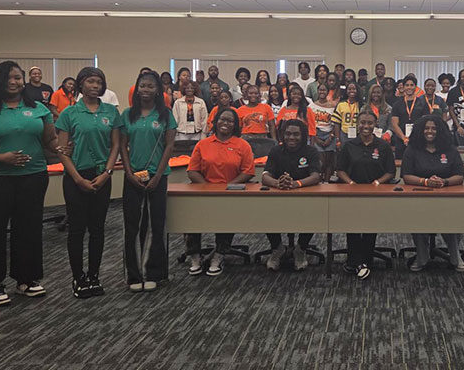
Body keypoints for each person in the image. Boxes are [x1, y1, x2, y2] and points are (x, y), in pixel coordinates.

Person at [0, 61, 61, 306]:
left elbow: (50, 141)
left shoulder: (39, 108)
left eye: (18, 78)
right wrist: (1, 158)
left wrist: (62, 148)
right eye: (8, 78)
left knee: (29, 229)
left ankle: (26, 279)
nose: (14, 82)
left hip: (33, 176)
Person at [54, 66, 121, 299]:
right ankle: (78, 277)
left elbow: (115, 146)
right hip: (76, 176)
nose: (95, 86)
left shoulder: (111, 112)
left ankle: (94, 275)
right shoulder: (69, 114)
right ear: (80, 84)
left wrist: (108, 173)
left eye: (99, 82)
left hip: (102, 176)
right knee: (77, 231)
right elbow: (62, 151)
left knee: (97, 230)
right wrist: (77, 179)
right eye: (91, 82)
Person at [120, 70, 176, 292]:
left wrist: (158, 176)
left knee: (155, 224)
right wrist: (128, 172)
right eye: (142, 85)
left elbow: (169, 146)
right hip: (132, 175)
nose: (146, 90)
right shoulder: (127, 114)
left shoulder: (166, 115)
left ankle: (153, 272)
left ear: (158, 90)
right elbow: (122, 146)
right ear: (137, 88)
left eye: (151, 86)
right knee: (132, 225)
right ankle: (134, 274)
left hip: (158, 177)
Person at [186, 107, 255, 276]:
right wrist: (207, 188)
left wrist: (229, 187)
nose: (225, 123)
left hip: (230, 193)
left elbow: (248, 171)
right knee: (190, 218)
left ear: (235, 125)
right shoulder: (203, 144)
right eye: (222, 119)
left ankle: (219, 255)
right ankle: (195, 256)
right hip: (203, 192)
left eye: (230, 121)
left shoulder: (242, 145)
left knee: (226, 219)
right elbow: (192, 170)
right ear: (215, 122)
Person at [401, 115, 464, 272]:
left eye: (434, 128)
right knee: (418, 222)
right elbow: (406, 175)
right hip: (420, 197)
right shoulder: (412, 149)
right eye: (427, 128)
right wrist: (425, 182)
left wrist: (445, 182)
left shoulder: (450, 150)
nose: (430, 131)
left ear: (440, 131)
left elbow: (460, 175)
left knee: (451, 222)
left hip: (446, 197)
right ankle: (421, 257)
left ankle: (455, 256)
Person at [336, 110, 395, 280]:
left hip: (375, 193)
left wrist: (378, 182)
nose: (366, 126)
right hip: (351, 192)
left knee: (370, 226)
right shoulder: (349, 145)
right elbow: (340, 170)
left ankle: (363, 261)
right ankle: (356, 261)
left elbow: (390, 172)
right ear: (357, 124)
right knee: (352, 226)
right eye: (362, 123)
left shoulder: (383, 146)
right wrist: (350, 183)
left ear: (375, 125)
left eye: (370, 123)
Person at [261, 119, 322, 271]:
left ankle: (300, 249)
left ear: (303, 136)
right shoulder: (276, 151)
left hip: (305, 197)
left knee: (313, 214)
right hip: (279, 196)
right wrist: (278, 183)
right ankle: (277, 249)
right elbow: (265, 176)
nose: (291, 137)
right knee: (265, 212)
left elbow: (316, 176)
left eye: (296, 134)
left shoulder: (311, 151)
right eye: (287, 134)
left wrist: (296, 184)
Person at [390, 74, 429, 159]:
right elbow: (394, 124)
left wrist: (415, 137)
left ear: (415, 87)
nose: (409, 87)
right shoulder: (397, 104)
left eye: (412, 85)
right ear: (403, 87)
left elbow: (425, 123)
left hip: (418, 140)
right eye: (407, 85)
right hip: (401, 141)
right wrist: (404, 138)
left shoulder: (422, 103)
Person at [310, 83, 339, 181]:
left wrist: (331, 137)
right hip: (316, 134)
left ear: (327, 92)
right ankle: (319, 179)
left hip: (330, 133)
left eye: (324, 90)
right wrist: (315, 138)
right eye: (320, 90)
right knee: (320, 160)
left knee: (329, 160)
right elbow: (310, 124)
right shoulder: (311, 106)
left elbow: (335, 123)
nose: (322, 92)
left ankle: (326, 181)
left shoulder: (333, 106)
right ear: (317, 91)